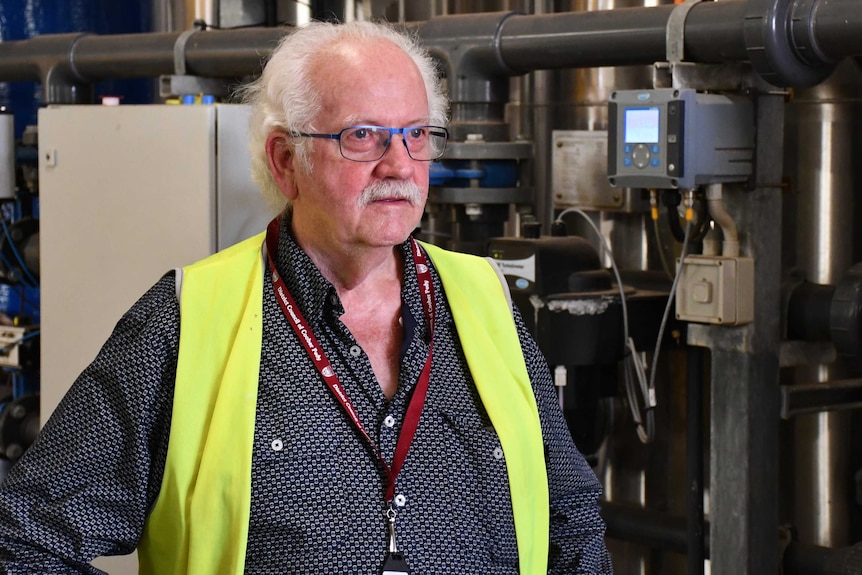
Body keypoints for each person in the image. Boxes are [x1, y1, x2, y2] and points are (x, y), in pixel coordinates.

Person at [0, 20, 613, 575]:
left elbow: (573, 521)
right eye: (363, 136)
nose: (399, 164)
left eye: (417, 134)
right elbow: (23, 541)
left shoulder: (485, 301)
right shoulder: (187, 321)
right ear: (286, 159)